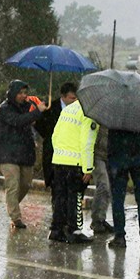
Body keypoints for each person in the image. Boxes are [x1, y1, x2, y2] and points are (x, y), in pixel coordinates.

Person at [0, 80, 47, 229]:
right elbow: (18, 121)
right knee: (13, 183)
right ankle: (16, 218)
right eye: (20, 93)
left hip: (24, 153)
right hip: (7, 153)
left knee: (25, 184)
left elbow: (33, 123)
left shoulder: (28, 107)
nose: (23, 96)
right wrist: (37, 112)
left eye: (25, 93)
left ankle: (11, 205)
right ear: (12, 93)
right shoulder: (3, 109)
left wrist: (41, 109)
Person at [49, 99, 98, 244]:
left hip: (59, 161)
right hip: (75, 163)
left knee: (60, 198)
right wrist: (88, 169)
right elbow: (87, 143)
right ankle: (74, 231)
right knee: (75, 198)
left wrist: (59, 154)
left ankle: (56, 230)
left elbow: (54, 136)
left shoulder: (68, 109)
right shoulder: (89, 114)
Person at [107, 128, 140, 248]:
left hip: (118, 161)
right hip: (139, 159)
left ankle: (119, 236)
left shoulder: (114, 118)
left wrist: (111, 160)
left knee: (118, 199)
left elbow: (110, 144)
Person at [34, 82, 78, 189]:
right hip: (53, 153)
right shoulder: (50, 108)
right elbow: (40, 127)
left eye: (76, 98)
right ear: (63, 96)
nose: (75, 101)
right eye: (72, 98)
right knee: (56, 188)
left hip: (70, 156)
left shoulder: (79, 110)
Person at [90, 125, 114, 234]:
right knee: (104, 185)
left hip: (108, 155)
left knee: (107, 188)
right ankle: (97, 220)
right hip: (97, 155)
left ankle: (100, 218)